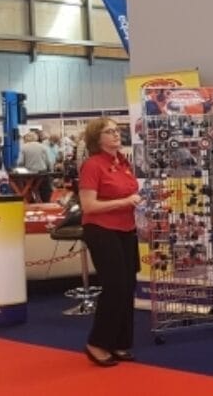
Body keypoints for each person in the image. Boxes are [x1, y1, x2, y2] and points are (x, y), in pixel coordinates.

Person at [77, 118, 142, 367]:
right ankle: (97, 342)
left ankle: (119, 341)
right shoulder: (93, 166)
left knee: (127, 287)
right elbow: (89, 206)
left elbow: (130, 193)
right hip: (101, 230)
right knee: (114, 286)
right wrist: (125, 202)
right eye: (109, 131)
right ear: (97, 138)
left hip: (126, 228)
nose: (116, 134)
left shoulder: (123, 163)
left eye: (117, 130)